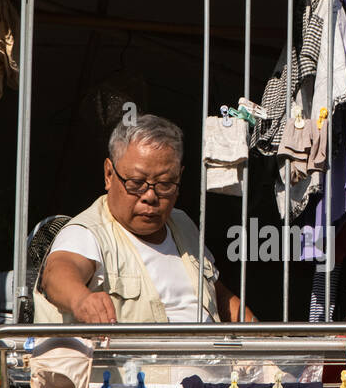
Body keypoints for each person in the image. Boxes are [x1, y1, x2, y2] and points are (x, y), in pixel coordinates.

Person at [36, 114, 254, 324]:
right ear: (109, 175)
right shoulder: (88, 232)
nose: (150, 196)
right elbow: (57, 273)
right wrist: (81, 300)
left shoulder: (182, 223)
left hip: (215, 359)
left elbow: (221, 297)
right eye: (137, 182)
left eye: (165, 184)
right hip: (140, 362)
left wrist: (262, 337)